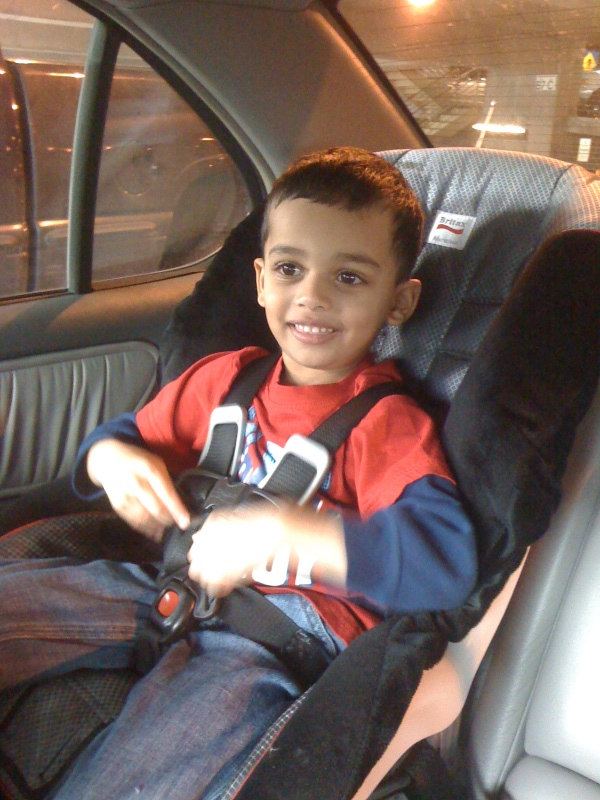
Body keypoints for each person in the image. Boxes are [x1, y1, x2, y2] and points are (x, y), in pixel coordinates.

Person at [0, 147, 477, 800]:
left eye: (349, 277)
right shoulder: (223, 381)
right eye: (289, 268)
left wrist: (290, 533)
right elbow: (121, 437)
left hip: (267, 645)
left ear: (399, 300)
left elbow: (443, 562)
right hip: (162, 586)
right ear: (260, 280)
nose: (311, 296)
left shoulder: (387, 424)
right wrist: (113, 460)